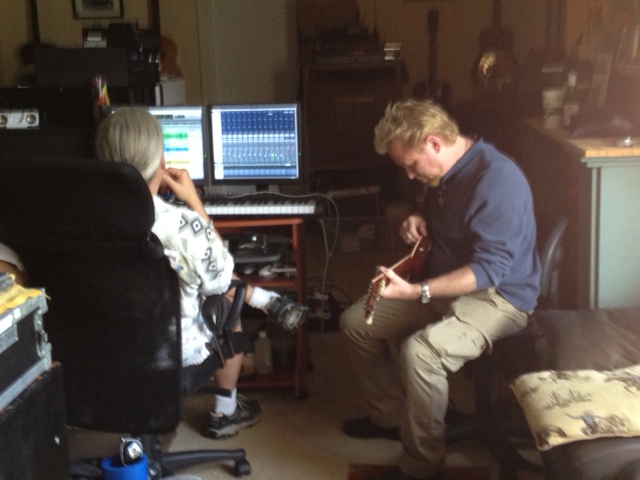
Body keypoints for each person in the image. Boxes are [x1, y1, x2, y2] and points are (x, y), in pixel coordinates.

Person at [339, 99, 541, 480]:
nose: (411, 175)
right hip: (446, 284)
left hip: (500, 297)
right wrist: (419, 217)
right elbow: (437, 208)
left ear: (434, 143)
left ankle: (423, 467)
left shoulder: (497, 179)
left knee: (422, 353)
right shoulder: (443, 173)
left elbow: (489, 269)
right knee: (355, 322)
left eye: (411, 165)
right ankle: (393, 418)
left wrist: (417, 292)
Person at [99, 107, 310, 439]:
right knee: (227, 304)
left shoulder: (81, 219)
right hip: (171, 350)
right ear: (160, 162)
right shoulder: (180, 225)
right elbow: (221, 278)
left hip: (104, 345)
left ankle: (269, 300)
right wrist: (195, 204)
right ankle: (225, 411)